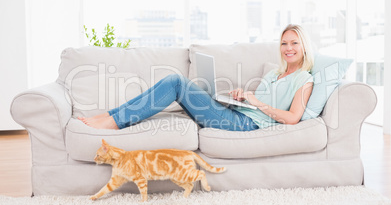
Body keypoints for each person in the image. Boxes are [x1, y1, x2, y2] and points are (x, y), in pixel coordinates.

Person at [78, 24, 314, 131]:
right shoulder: (275, 72)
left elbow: (293, 118)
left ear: (304, 47)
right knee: (175, 81)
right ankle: (111, 115)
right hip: (237, 112)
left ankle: (114, 122)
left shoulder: (304, 79)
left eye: (294, 43)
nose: (288, 48)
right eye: (284, 43)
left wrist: (257, 103)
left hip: (246, 124)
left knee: (176, 82)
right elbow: (256, 101)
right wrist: (242, 97)